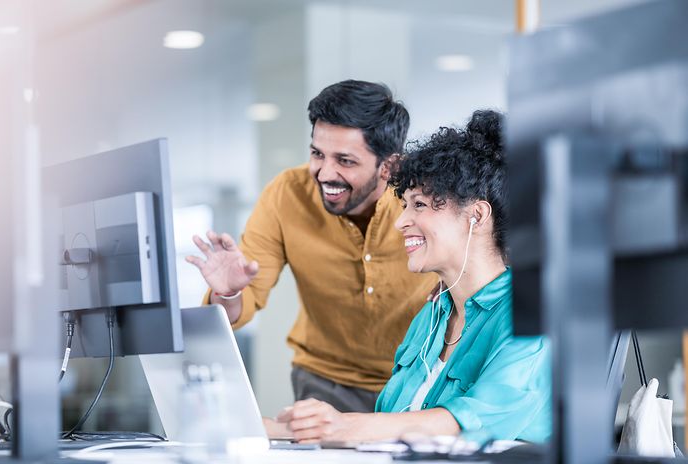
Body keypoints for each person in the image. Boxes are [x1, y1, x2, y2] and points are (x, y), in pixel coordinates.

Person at [273, 110, 552, 443]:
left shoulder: (530, 313)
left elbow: (468, 421)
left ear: (476, 216)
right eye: (405, 205)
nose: (400, 222)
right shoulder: (432, 316)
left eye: (419, 205)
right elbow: (390, 421)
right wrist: (271, 429)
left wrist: (341, 426)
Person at [186, 80, 438, 413]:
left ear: (388, 166)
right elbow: (242, 305)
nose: (324, 173)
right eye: (317, 154)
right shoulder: (287, 194)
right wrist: (229, 293)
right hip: (325, 383)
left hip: (419, 381)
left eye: (345, 161)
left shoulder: (428, 200)